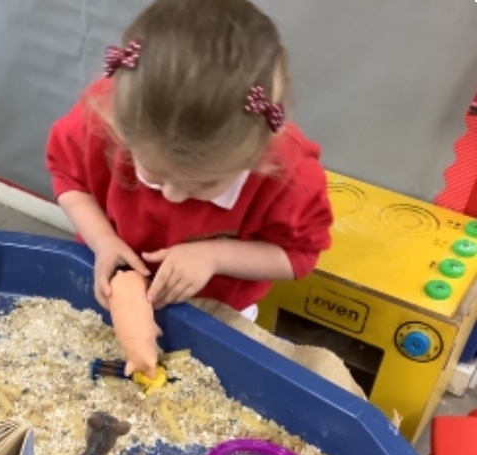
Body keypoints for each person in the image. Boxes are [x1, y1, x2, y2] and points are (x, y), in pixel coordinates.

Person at [46, 0, 332, 322]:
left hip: (217, 311)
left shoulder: (287, 174)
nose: (173, 196)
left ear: (254, 157)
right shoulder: (106, 115)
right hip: (111, 283)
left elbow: (299, 255)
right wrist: (103, 240)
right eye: (154, 174)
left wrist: (214, 256)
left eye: (206, 184)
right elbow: (69, 180)